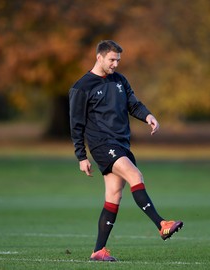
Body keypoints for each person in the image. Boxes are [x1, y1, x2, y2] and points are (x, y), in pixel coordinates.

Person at [69, 40, 183, 262]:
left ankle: (98, 251)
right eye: (111, 60)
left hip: (121, 144)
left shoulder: (120, 80)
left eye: (118, 60)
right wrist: (81, 156)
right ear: (99, 57)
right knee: (135, 175)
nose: (115, 64)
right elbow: (76, 124)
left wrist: (148, 116)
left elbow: (133, 104)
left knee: (114, 195)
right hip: (102, 144)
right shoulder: (81, 87)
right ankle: (161, 224)